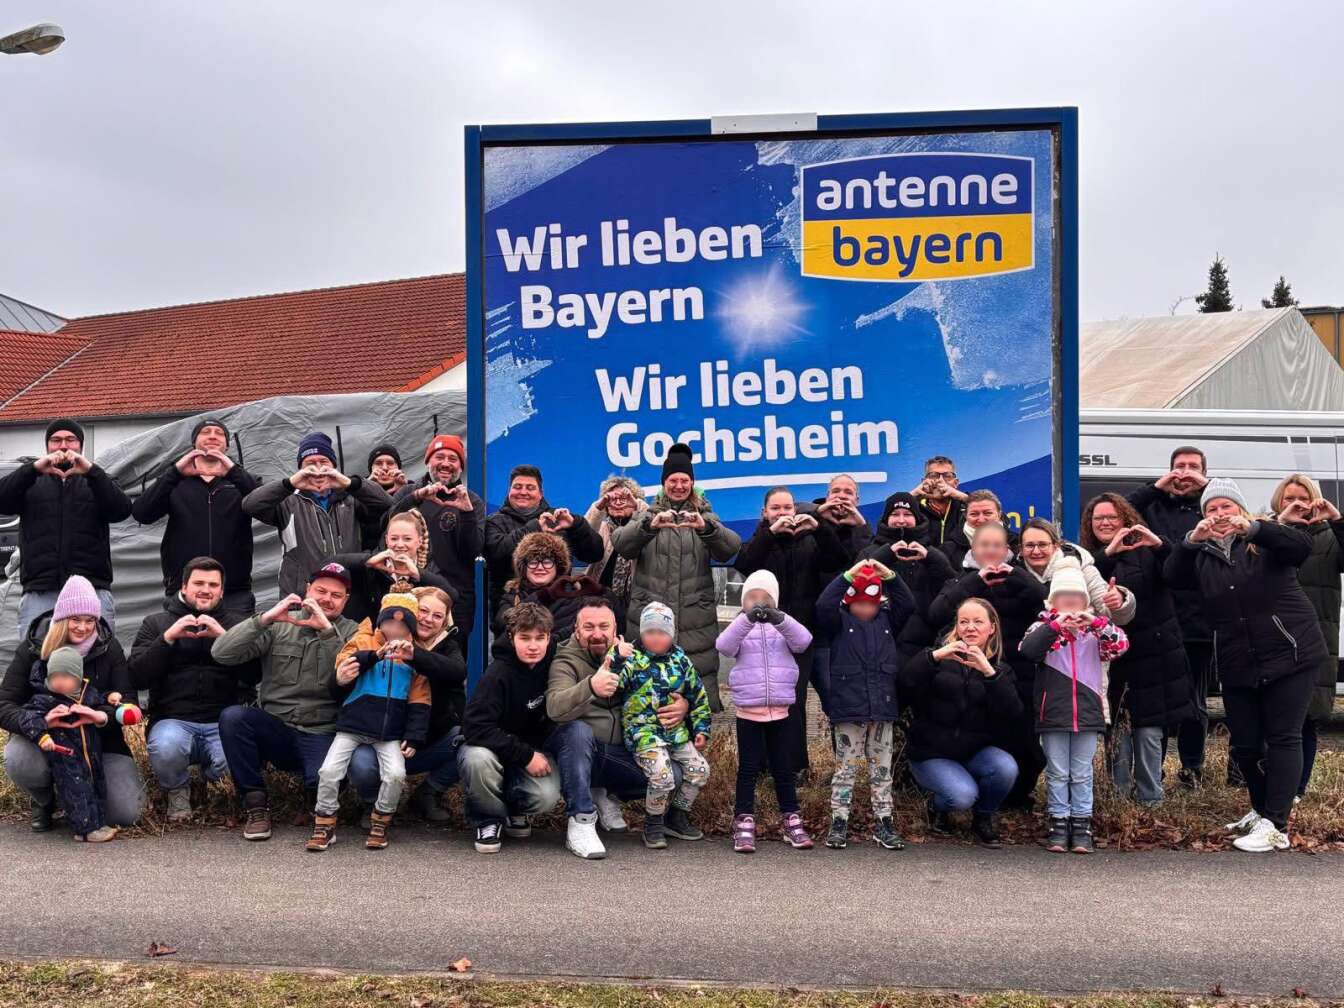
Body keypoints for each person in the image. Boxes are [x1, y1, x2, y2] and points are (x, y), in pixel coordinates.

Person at [1164, 478, 1326, 853]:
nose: (1220, 515)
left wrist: (1254, 528)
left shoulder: (1265, 539)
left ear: (1240, 509)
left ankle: (1277, 824)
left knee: (1283, 736)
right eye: (1211, 509)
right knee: (1247, 744)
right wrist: (1191, 541)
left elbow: (1300, 546)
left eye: (1227, 507)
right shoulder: (1200, 554)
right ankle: (1260, 810)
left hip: (1291, 651)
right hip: (1237, 658)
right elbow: (1172, 575)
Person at [212, 562, 359, 841]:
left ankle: (311, 796)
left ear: (346, 600)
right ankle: (256, 806)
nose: (327, 599)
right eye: (321, 591)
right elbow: (222, 653)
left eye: (336, 595)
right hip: (276, 727)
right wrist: (264, 619)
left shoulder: (353, 632)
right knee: (234, 717)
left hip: (322, 730)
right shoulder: (281, 624)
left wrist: (327, 631)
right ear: (307, 590)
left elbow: (349, 676)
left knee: (324, 782)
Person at [546, 598, 691, 861]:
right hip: (581, 752)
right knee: (577, 732)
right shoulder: (565, 659)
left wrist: (684, 706)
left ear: (615, 630)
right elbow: (554, 706)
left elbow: (673, 686)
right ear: (576, 630)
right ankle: (580, 820)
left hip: (620, 752)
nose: (597, 634)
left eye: (604, 626)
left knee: (676, 775)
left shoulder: (636, 655)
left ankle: (605, 795)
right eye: (588, 627)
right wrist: (591, 686)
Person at [0, 575, 146, 831]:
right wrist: (39, 721)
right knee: (19, 759)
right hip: (48, 741)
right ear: (61, 619)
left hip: (100, 743)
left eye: (89, 620)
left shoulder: (108, 648)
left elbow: (129, 701)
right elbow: (4, 704)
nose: (83, 627)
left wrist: (100, 715)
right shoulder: (34, 647)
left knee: (127, 813)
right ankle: (45, 799)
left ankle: (79, 798)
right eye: (75, 620)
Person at [611, 443, 741, 711]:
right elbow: (622, 543)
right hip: (649, 621)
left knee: (694, 708)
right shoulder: (647, 514)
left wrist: (707, 529)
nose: (679, 486)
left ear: (692, 483)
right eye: (673, 480)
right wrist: (648, 527)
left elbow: (730, 548)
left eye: (685, 480)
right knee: (647, 707)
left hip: (695, 625)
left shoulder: (706, 516)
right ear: (664, 483)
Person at [1082, 493, 1193, 807]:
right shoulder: (1088, 556)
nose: (1105, 522)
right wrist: (1108, 553)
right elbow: (1083, 584)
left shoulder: (1149, 552)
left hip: (1155, 655)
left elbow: (1180, 574)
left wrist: (1159, 545)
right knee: (1117, 730)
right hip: (1111, 657)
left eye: (1112, 517)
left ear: (1125, 519)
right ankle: (1118, 799)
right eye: (1098, 518)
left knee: (1148, 732)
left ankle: (1149, 799)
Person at [928, 522, 1047, 809]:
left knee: (1030, 750)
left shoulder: (1020, 577)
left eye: (997, 546)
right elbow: (937, 613)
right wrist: (976, 580)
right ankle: (971, 798)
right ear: (974, 549)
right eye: (984, 545)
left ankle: (1016, 799)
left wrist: (1016, 575)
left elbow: (1046, 605)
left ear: (1007, 550)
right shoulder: (960, 579)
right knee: (984, 744)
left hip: (1018, 675)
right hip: (968, 677)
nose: (991, 551)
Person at [128, 556, 256, 822]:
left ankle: (208, 784)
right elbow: (136, 676)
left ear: (222, 590)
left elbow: (255, 674)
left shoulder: (238, 622)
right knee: (166, 747)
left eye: (213, 584)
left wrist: (226, 638)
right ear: (184, 587)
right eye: (198, 583)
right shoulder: (156, 623)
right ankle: (178, 789)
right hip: (172, 720)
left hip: (222, 722)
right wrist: (167, 639)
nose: (206, 589)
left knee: (235, 760)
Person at [737, 486, 849, 776]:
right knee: (763, 698)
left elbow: (838, 561)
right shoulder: (761, 538)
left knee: (794, 699)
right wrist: (771, 532)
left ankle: (794, 766)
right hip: (762, 635)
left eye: (787, 508)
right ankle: (761, 766)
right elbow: (745, 564)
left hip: (801, 633)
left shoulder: (810, 538)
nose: (783, 514)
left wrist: (820, 528)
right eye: (776, 508)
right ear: (765, 512)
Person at [1020, 558, 1130, 854]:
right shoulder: (1042, 627)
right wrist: (1055, 626)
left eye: (1076, 598)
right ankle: (1058, 822)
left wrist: (1095, 622)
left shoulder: (1096, 632)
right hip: (1053, 712)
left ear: (1085, 600)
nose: (1070, 603)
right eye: (1063, 597)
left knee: (1082, 772)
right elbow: (1027, 650)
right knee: (1057, 771)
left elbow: (1120, 645)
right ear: (1053, 600)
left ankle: (1082, 824)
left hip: (1088, 711)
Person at [308, 593, 431, 852]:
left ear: (410, 628)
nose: (394, 630)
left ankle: (381, 819)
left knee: (396, 775)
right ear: (380, 622)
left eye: (402, 626)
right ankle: (324, 822)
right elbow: (345, 663)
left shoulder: (414, 656)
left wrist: (415, 735)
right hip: (351, 726)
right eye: (389, 623)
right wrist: (376, 655)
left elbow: (420, 700)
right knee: (328, 771)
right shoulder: (362, 640)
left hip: (389, 733)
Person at [900, 597, 1023, 847]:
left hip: (973, 753)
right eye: (964, 622)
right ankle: (937, 808)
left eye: (978, 622)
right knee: (962, 796)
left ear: (992, 628)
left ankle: (983, 818)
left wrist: (988, 672)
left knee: (1006, 768)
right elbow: (904, 685)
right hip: (931, 754)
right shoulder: (937, 659)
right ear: (956, 627)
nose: (970, 627)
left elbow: (1013, 714)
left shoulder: (1001, 670)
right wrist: (934, 657)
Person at [813, 560, 916, 851]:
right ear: (849, 601)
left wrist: (891, 577)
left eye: (870, 603)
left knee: (882, 770)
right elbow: (823, 605)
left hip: (882, 709)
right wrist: (847, 575)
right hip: (849, 711)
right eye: (858, 602)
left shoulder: (887, 621)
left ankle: (884, 822)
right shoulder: (839, 622)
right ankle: (839, 821)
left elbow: (907, 604)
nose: (865, 609)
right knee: (845, 770)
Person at [1127, 445, 1212, 787]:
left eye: (1193, 467)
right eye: (1179, 466)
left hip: (1198, 624)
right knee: (1157, 699)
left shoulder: (1208, 508)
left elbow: (1235, 508)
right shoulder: (1153, 506)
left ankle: (1192, 767)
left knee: (1195, 702)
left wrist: (1206, 485)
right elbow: (1122, 508)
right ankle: (1154, 768)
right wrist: (1157, 486)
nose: (1185, 473)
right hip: (1157, 620)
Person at [0, 419, 133, 635]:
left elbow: (122, 510)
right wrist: (32, 469)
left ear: (80, 446)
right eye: (56, 440)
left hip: (92, 587)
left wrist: (91, 472)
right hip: (41, 589)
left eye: (71, 440)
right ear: (47, 447)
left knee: (96, 656)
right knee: (37, 657)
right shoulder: (31, 481)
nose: (63, 446)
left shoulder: (98, 481)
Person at [348, 585, 467, 824]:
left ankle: (428, 793)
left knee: (470, 742)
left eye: (437, 616)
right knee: (360, 763)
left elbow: (457, 672)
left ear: (445, 622)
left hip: (427, 740)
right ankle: (372, 803)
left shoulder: (448, 646)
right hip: (379, 740)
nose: (428, 619)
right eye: (423, 610)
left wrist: (416, 656)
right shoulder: (377, 638)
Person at [716, 570, 814, 854]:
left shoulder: (782, 628)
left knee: (783, 768)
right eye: (752, 598)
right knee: (748, 768)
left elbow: (803, 641)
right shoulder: (740, 627)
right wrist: (745, 619)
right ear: (743, 602)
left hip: (781, 710)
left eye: (765, 599)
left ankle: (791, 818)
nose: (759, 604)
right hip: (749, 710)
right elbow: (724, 646)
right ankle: (744, 819)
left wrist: (780, 618)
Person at [458, 603, 563, 854]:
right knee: (476, 759)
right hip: (490, 748)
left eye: (540, 638)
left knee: (546, 796)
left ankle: (515, 809)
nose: (533, 645)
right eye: (524, 638)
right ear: (511, 637)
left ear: (549, 638)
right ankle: (487, 819)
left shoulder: (553, 662)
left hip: (528, 750)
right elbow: (474, 727)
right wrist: (525, 756)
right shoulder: (498, 674)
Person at [610, 601, 713, 851]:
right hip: (643, 733)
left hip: (675, 733)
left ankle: (675, 816)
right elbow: (614, 683)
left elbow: (698, 696)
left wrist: (701, 729)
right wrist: (616, 657)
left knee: (700, 770)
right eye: (650, 632)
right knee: (662, 775)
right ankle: (653, 822)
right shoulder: (632, 659)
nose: (656, 638)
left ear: (672, 634)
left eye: (662, 632)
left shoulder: (681, 661)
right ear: (641, 633)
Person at [11, 646, 141, 843]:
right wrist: (43, 733)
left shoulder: (87, 693)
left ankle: (98, 821)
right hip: (66, 755)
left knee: (95, 786)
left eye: (65, 676)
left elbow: (100, 698)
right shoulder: (44, 699)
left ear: (78, 677)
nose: (59, 682)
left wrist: (110, 698)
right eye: (54, 676)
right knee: (77, 789)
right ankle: (85, 830)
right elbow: (28, 719)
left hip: (91, 753)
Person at [130, 418, 260, 612]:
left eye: (219, 434)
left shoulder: (242, 482)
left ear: (227, 445)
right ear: (194, 443)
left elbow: (266, 507)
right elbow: (142, 513)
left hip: (233, 592)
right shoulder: (176, 482)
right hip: (184, 590)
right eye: (206, 432)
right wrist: (175, 473)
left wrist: (233, 472)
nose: (213, 436)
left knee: (235, 643)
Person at [1266, 475, 1344, 799]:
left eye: (1303, 497)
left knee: (1304, 719)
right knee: (1267, 719)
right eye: (1288, 498)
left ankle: (1295, 791)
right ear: (1278, 502)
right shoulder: (1267, 533)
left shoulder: (1329, 539)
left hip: (1314, 640)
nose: (1296, 503)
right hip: (1269, 639)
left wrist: (1338, 520)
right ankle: (1265, 789)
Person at [242, 432, 393, 598]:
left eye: (324, 462)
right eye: (310, 464)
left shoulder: (350, 499)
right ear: (300, 469)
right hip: (301, 596)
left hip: (348, 594)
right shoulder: (288, 502)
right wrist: (290, 483)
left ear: (334, 466)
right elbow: (251, 505)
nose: (318, 469)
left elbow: (387, 504)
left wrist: (349, 483)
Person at [389, 434, 484, 649]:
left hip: (455, 596)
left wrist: (467, 514)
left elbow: (474, 551)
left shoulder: (472, 501)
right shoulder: (409, 492)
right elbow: (387, 523)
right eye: (439, 456)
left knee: (450, 660)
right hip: (408, 591)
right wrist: (417, 497)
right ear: (428, 461)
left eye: (453, 459)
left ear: (461, 467)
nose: (446, 464)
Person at [485, 464, 603, 618]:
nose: (523, 492)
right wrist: (534, 527)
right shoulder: (494, 521)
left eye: (530, 487)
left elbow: (594, 554)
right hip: (510, 609)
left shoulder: (557, 519)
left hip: (559, 610)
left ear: (541, 494)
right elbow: (495, 553)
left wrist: (576, 525)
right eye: (517, 487)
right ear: (509, 492)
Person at [860, 492, 956, 657]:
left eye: (908, 514)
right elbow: (853, 585)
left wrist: (931, 558)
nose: (901, 520)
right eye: (895, 514)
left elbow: (952, 588)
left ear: (917, 519)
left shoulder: (932, 552)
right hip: (876, 644)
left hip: (923, 646)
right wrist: (886, 555)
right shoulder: (869, 552)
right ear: (885, 519)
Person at [332, 509, 456, 626]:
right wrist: (367, 560)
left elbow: (452, 596)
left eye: (407, 539)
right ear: (386, 540)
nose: (400, 544)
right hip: (372, 638)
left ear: (419, 541)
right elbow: (327, 564)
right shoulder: (372, 565)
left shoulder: (430, 567)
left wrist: (418, 574)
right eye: (394, 538)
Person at [494, 531, 613, 645]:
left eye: (547, 562)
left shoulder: (574, 594)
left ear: (558, 566)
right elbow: (502, 626)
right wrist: (545, 595)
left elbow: (616, 622)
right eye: (533, 562)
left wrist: (601, 592)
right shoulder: (513, 595)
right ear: (524, 567)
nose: (540, 567)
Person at [583, 475, 648, 624]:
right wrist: (598, 507)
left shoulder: (643, 530)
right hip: (598, 603)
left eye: (624, 499)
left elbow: (650, 521)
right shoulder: (602, 527)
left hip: (635, 604)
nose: (618, 503)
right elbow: (582, 534)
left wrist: (639, 505)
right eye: (612, 499)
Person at [810, 474, 874, 582]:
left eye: (848, 492)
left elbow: (867, 565)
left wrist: (862, 527)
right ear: (827, 497)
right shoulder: (811, 522)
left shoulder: (863, 527)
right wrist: (817, 513)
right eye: (836, 491)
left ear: (857, 500)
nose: (841, 496)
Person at [940, 490, 1018, 569]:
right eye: (974, 514)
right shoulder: (948, 550)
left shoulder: (1017, 544)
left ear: (999, 515)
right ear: (965, 516)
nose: (981, 519)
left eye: (987, 513)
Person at [910, 455, 968, 547]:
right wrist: (913, 494)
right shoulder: (912, 507)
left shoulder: (966, 506)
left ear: (956, 483)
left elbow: (995, 519)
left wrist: (962, 497)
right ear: (923, 482)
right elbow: (886, 524)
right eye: (933, 476)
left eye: (947, 476)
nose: (940, 481)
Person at [359, 444, 409, 549]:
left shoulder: (412, 490)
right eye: (378, 463)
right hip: (367, 557)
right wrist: (366, 488)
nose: (385, 468)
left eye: (390, 463)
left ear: (398, 468)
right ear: (370, 469)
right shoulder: (357, 491)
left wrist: (403, 491)